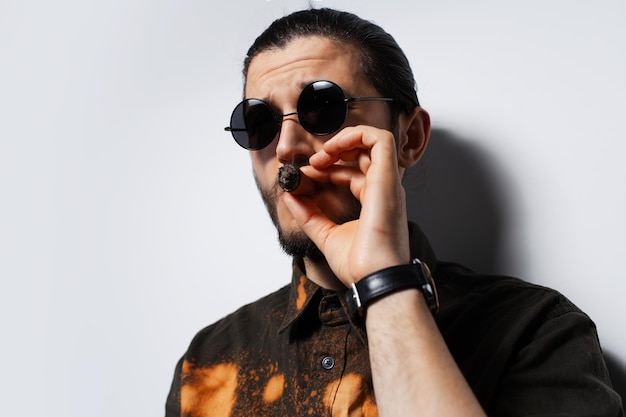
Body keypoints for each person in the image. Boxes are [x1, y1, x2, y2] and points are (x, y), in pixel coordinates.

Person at [165, 7, 623, 417]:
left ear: (409, 138)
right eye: (260, 122)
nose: (285, 147)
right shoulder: (207, 365)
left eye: (322, 108)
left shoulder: (534, 331)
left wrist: (382, 278)